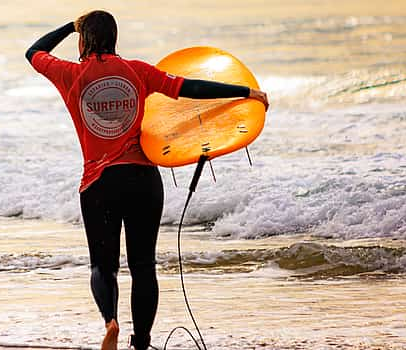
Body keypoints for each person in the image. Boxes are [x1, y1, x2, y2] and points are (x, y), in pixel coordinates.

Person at [25, 10, 268, 350]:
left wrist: (70, 25)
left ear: (83, 40)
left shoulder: (70, 74)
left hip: (99, 183)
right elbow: (190, 88)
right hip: (142, 180)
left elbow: (34, 52)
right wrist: (244, 92)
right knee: (143, 266)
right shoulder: (137, 71)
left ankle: (110, 321)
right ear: (115, 39)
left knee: (103, 266)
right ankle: (141, 343)